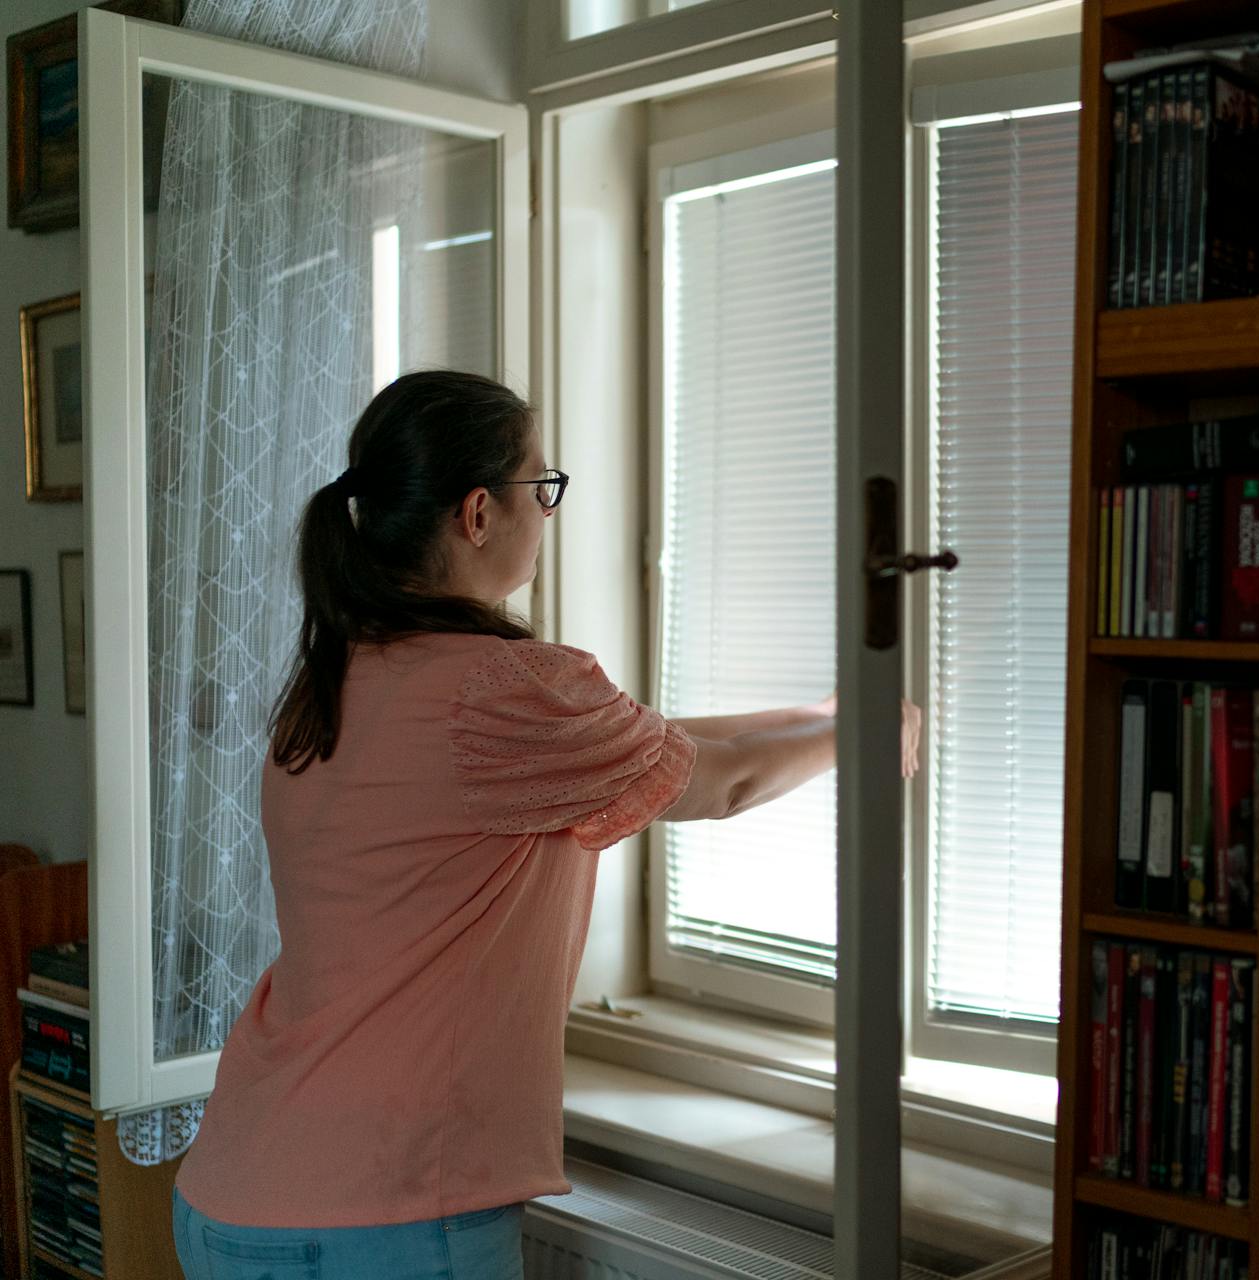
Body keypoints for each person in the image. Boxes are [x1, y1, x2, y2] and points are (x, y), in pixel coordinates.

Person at [169, 370, 920, 1279]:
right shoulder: (503, 690)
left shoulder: (336, 678)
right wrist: (867, 732)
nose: (550, 510)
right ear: (479, 513)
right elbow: (721, 786)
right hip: (383, 1210)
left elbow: (656, 744)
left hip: (232, 1193)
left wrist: (823, 715)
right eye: (542, 486)